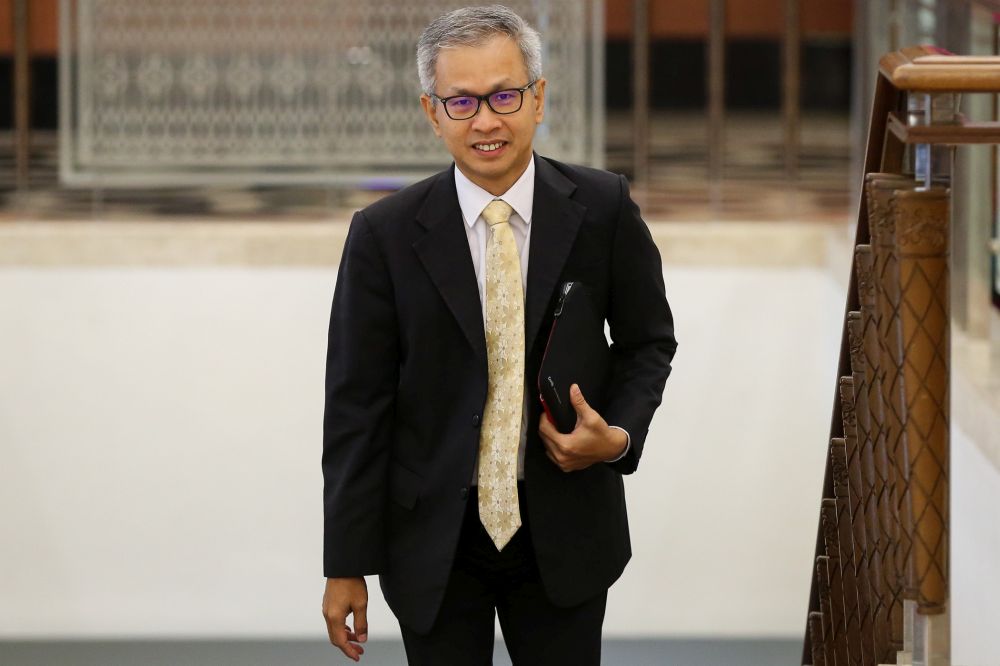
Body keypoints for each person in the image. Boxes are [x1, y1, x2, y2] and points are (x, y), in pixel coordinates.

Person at [321, 5, 676, 664]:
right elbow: (356, 406)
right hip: (431, 541)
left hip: (565, 533)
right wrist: (346, 562)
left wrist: (617, 436)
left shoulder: (601, 209)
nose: (485, 120)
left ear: (538, 99)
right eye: (461, 102)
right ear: (432, 112)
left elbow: (648, 342)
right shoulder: (384, 235)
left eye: (504, 95)